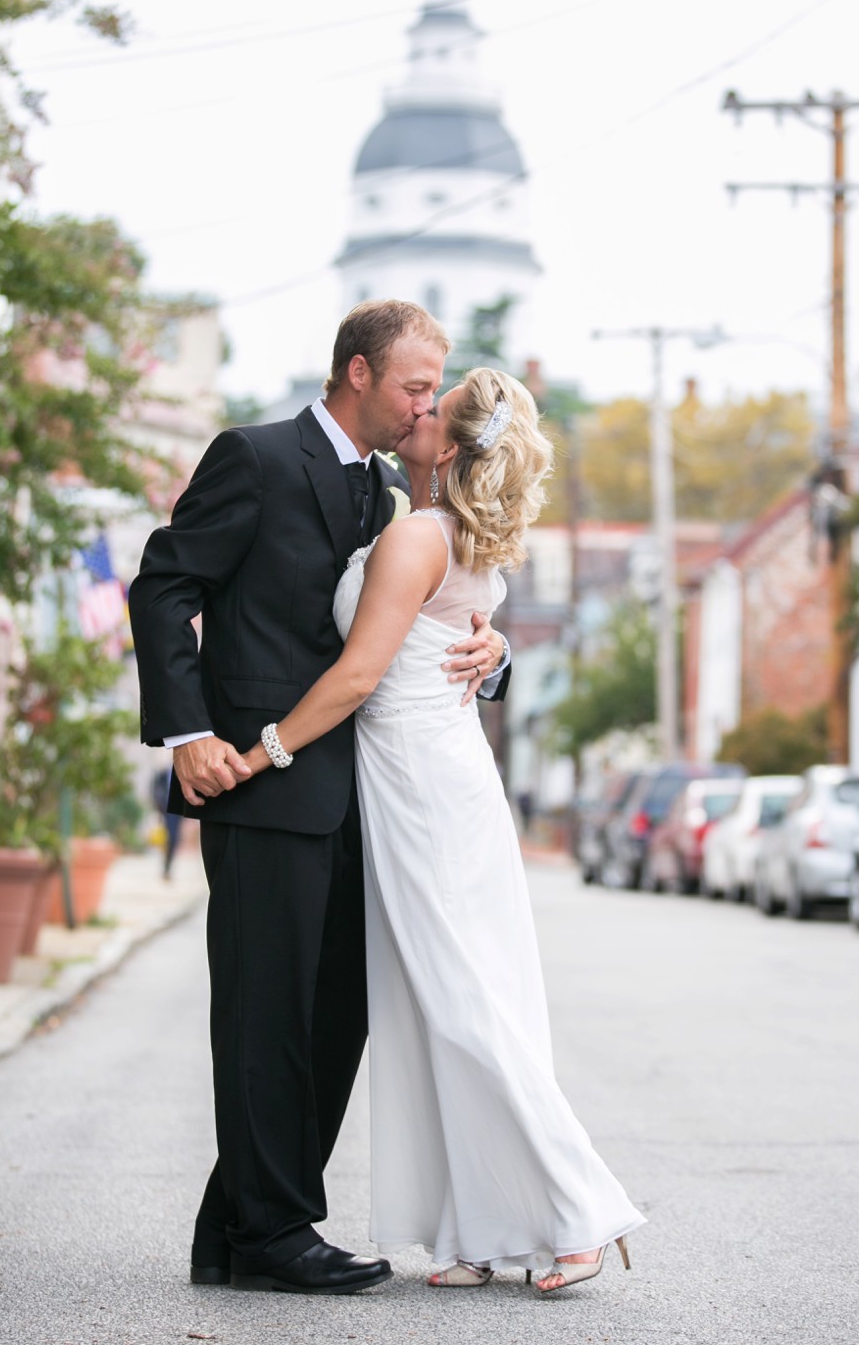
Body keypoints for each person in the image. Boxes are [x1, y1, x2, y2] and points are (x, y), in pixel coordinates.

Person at [235, 367, 646, 1296]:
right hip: (434, 773)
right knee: (429, 1004)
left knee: (464, 998)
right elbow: (462, 629)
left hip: (422, 779)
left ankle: (578, 1213)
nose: (415, 412)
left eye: (432, 405)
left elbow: (354, 679)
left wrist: (257, 754)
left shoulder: (422, 534)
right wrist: (492, 645)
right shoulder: (457, 532)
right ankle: (483, 1231)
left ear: (449, 448)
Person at [127, 301, 509, 1296]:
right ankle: (273, 1233)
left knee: (337, 1012)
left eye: (434, 389)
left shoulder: (386, 488)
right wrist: (186, 734)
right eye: (415, 387)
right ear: (356, 374)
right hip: (255, 784)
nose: (429, 404)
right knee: (267, 1015)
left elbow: (416, 621)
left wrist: (493, 650)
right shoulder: (253, 457)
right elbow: (165, 585)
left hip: (360, 795)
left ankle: (235, 1224)